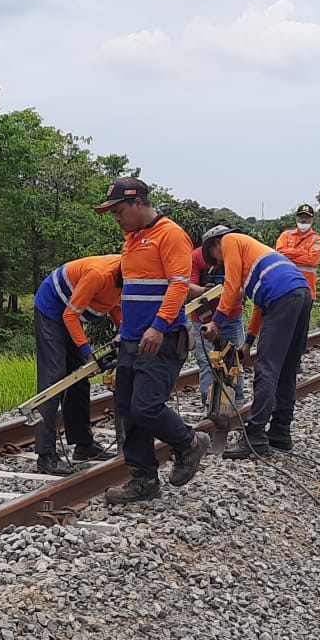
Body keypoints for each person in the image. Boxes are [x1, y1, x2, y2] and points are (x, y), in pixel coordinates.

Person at [93, 177, 209, 503]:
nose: (116, 217)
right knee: (128, 410)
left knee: (145, 407)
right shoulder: (133, 239)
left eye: (119, 210)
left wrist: (158, 326)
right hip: (133, 339)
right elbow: (133, 291)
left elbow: (177, 284)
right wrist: (125, 329)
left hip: (163, 338)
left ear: (138, 203)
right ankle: (143, 479)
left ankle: (188, 442)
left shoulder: (170, 234)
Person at [200, 226, 312, 458]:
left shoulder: (229, 240)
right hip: (301, 293)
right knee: (286, 368)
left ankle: (255, 434)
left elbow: (229, 286)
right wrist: (248, 342)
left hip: (284, 297)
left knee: (266, 368)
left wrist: (216, 322)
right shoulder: (258, 263)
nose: (220, 262)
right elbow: (260, 307)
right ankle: (280, 432)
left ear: (215, 244)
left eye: (216, 257)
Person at [30, 254, 123, 476]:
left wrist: (123, 331)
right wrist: (87, 354)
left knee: (79, 377)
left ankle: (83, 445)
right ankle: (46, 455)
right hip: (51, 311)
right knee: (55, 380)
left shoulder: (132, 276)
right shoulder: (99, 274)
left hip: (70, 314)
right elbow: (70, 315)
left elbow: (115, 306)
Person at [188, 243, 246, 409]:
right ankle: (210, 404)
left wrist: (226, 291)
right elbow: (187, 287)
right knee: (206, 362)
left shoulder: (235, 255)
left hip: (231, 317)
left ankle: (237, 401)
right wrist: (203, 291)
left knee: (234, 359)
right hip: (203, 317)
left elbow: (243, 289)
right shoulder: (196, 256)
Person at [275, 203, 320, 299]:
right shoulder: (286, 234)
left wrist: (289, 254)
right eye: (301, 216)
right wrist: (303, 252)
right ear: (296, 218)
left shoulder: (317, 238)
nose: (303, 220)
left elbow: (312, 260)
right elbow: (279, 254)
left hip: (307, 287)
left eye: (307, 217)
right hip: (285, 286)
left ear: (312, 219)